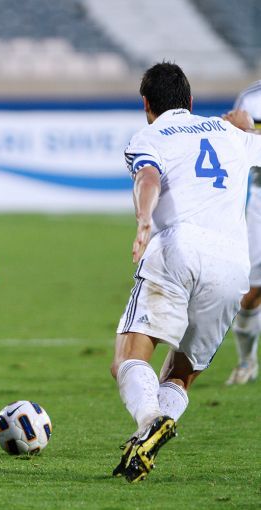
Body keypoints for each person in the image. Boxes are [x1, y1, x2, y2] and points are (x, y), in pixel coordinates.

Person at [110, 62, 261, 483]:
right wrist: (246, 128)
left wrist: (144, 219)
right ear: (190, 101)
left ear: (146, 105)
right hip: (233, 263)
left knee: (128, 358)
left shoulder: (148, 136)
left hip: (177, 248)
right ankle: (146, 440)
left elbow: (148, 177)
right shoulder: (228, 132)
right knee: (182, 373)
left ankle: (149, 419)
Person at [225, 82, 261, 385]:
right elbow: (234, 147)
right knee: (250, 293)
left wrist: (248, 132)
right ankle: (247, 361)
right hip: (260, 201)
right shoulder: (250, 98)